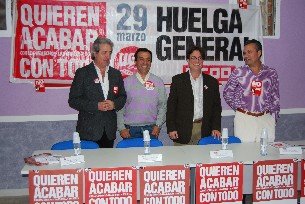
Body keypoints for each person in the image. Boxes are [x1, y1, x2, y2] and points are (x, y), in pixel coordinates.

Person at [68, 36, 126, 148]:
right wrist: (96, 105)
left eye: (110, 53)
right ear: (94, 53)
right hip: (88, 131)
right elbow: (73, 101)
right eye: (104, 53)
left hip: (109, 131)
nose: (108, 56)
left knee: (106, 164)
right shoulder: (82, 73)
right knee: (89, 164)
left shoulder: (116, 74)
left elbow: (122, 97)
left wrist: (114, 104)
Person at [223, 39, 280, 143]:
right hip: (245, 120)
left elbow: (275, 97)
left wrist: (273, 118)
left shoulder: (271, 73)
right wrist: (240, 109)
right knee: (245, 155)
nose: (246, 56)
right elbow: (227, 93)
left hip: (265, 119)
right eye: (244, 53)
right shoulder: (238, 72)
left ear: (259, 53)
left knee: (266, 154)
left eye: (249, 52)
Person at [166, 46, 222, 145]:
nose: (197, 61)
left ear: (203, 61)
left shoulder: (212, 82)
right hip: (182, 130)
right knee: (182, 160)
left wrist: (216, 127)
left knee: (202, 160)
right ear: (188, 60)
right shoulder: (178, 80)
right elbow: (171, 107)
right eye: (193, 58)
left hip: (204, 129)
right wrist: (171, 128)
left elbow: (216, 108)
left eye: (200, 58)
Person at [117, 48, 167, 139]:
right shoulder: (125, 82)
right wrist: (121, 128)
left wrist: (158, 125)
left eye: (148, 60)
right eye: (141, 59)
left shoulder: (158, 82)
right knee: (131, 154)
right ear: (135, 61)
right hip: (130, 130)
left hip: (152, 129)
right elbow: (120, 108)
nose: (145, 62)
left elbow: (163, 106)